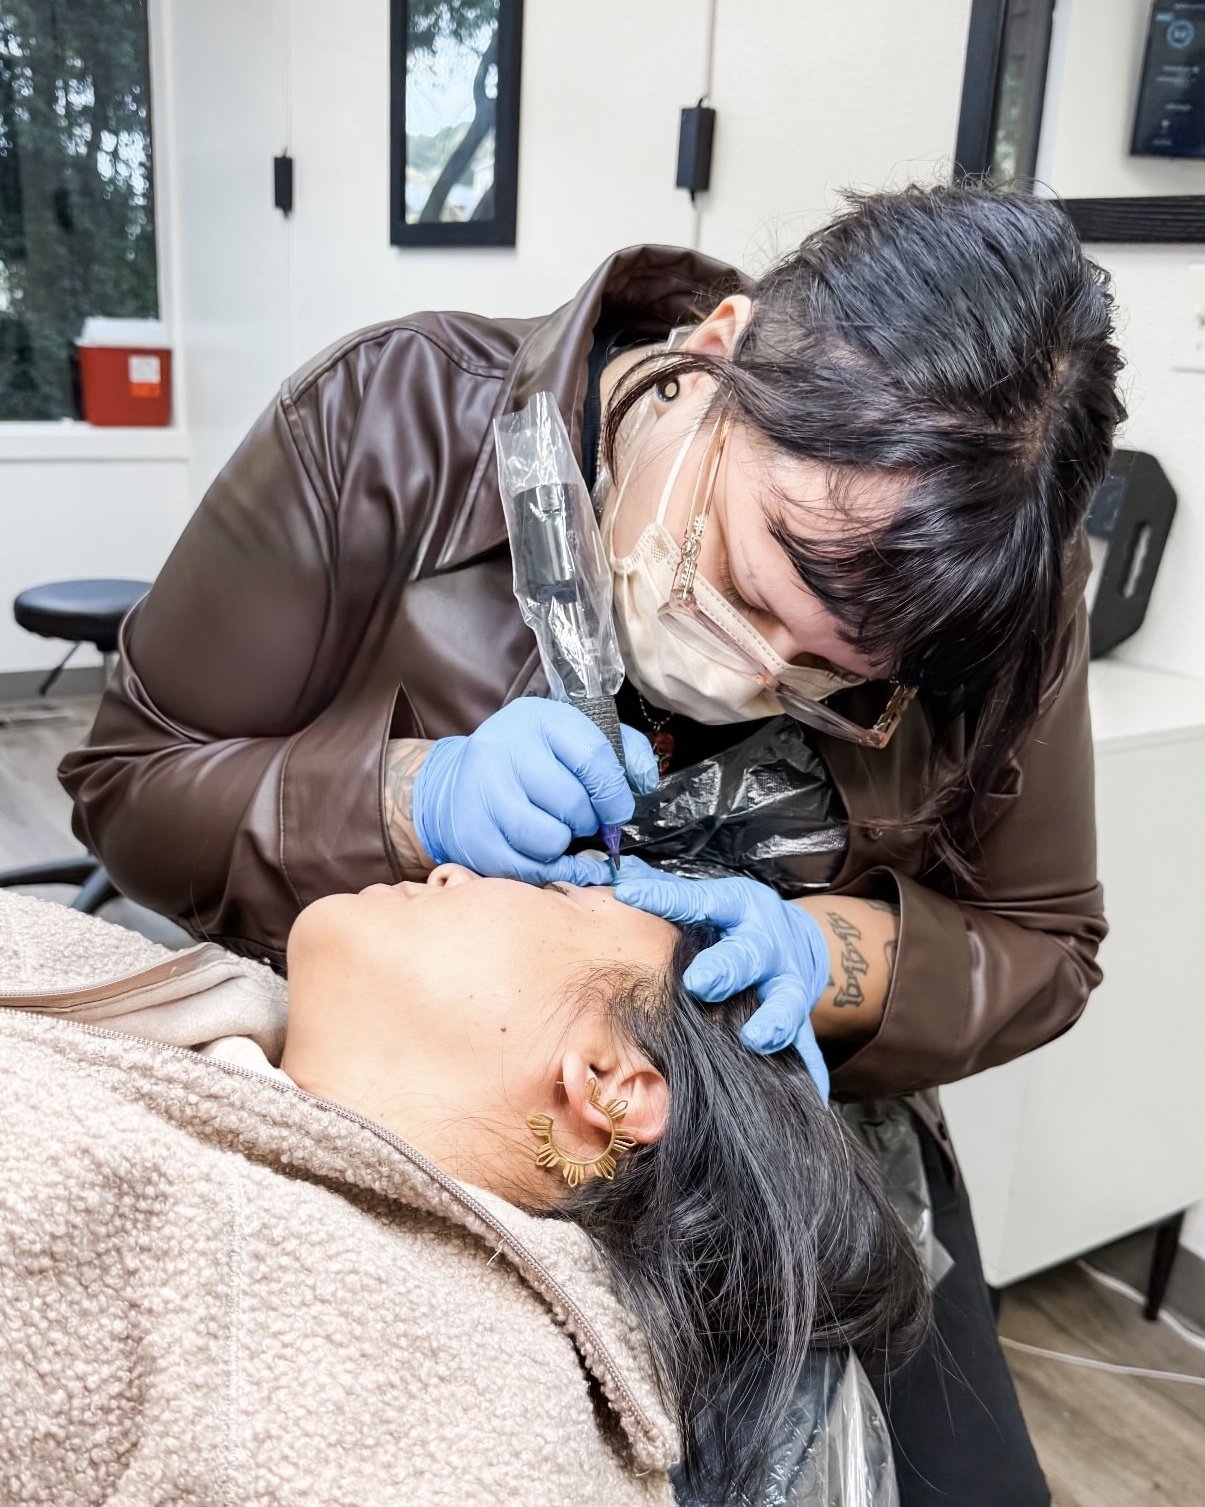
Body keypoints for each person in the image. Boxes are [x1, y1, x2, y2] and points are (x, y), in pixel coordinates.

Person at [60, 182, 1126, 1504]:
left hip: (743, 1155)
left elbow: (1042, 941)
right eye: (743, 581)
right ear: (719, 353)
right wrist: (403, 799)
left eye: (837, 680)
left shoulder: (1002, 589)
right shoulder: (393, 417)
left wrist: (830, 951)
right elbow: (130, 774)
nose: (755, 671)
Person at [0, 874, 927, 1506]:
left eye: (549, 891)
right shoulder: (189, 1003)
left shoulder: (441, 1420)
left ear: (606, 1082)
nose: (449, 869)